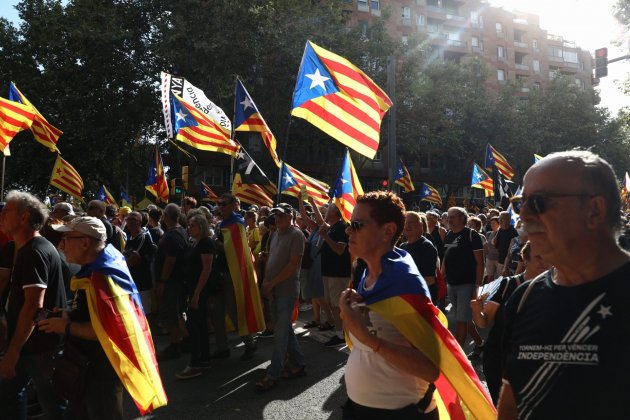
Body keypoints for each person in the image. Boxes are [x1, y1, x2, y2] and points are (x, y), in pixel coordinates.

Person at [497, 151, 630, 418]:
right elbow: (511, 403)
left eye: (537, 202)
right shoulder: (525, 297)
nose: (523, 215)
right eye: (519, 203)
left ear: (594, 210)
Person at [339, 191, 494, 419]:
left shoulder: (404, 282)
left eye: (357, 224)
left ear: (388, 231)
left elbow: (430, 368)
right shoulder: (366, 276)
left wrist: (367, 336)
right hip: (360, 409)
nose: (348, 230)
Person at [40, 216, 166, 418]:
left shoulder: (102, 275)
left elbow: (106, 331)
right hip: (90, 368)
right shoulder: (103, 264)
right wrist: (69, 314)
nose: (61, 245)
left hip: (99, 372)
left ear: (84, 242)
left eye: (67, 239)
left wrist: (65, 326)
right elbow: (99, 314)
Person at [0, 191, 67, 420]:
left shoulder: (33, 252)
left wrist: (13, 352)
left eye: (6, 211)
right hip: (35, 343)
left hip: (37, 346)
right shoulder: (36, 247)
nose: (1, 215)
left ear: (23, 217)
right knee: (10, 395)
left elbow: (32, 305)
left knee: (55, 406)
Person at [470, 241, 550, 403]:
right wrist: (476, 309)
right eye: (539, 258)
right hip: (499, 359)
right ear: (525, 260)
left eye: (548, 258)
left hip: (533, 361)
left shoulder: (554, 289)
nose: (545, 263)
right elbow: (483, 323)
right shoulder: (508, 285)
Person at [255, 204, 305, 391]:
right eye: (276, 216)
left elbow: (292, 266)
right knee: (285, 331)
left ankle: (273, 374)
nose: (277, 219)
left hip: (286, 291)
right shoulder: (275, 234)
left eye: (282, 216)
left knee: (280, 335)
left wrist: (271, 283)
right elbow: (277, 258)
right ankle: (298, 363)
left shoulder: (297, 235)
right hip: (274, 290)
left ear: (290, 216)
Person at [210, 194, 261, 361]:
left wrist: (217, 245)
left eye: (223, 204)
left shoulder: (237, 224)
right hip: (220, 273)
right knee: (217, 312)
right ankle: (222, 347)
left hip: (232, 276)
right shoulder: (223, 224)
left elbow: (234, 250)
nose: (220, 207)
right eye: (219, 204)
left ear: (233, 205)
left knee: (234, 311)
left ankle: (250, 344)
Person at [176, 214, 216, 380]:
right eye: (189, 225)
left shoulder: (206, 243)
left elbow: (206, 270)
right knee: (199, 325)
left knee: (194, 325)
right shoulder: (196, 242)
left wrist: (197, 294)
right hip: (193, 288)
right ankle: (204, 359)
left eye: (193, 225)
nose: (189, 228)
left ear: (201, 227)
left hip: (199, 290)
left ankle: (195, 363)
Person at [442, 207, 485, 357]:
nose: (449, 219)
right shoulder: (447, 235)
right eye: (448, 217)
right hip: (451, 284)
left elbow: (480, 263)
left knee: (461, 320)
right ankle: (481, 344)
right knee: (465, 320)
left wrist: (477, 287)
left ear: (462, 218)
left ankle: (455, 357)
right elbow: (445, 260)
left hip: (466, 285)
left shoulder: (473, 235)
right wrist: (442, 277)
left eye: (452, 216)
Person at [154, 203, 190, 360]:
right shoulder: (180, 231)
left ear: (166, 217)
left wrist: (162, 280)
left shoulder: (173, 235)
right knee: (177, 312)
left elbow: (170, 260)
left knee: (171, 314)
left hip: (172, 282)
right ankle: (184, 341)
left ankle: (175, 345)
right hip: (178, 280)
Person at [315, 202, 351, 347]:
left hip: (338, 273)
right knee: (332, 304)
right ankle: (341, 332)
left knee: (338, 305)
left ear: (336, 212)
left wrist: (326, 237)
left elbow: (340, 250)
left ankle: (341, 334)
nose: (326, 208)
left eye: (330, 207)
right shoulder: (332, 228)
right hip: (329, 272)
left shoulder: (342, 228)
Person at [400, 212, 438, 304]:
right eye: (405, 223)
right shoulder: (402, 246)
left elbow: (429, 279)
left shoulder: (426, 246)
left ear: (420, 225)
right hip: (406, 297)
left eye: (411, 222)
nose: (407, 226)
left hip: (422, 298)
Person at [123, 211, 155, 317]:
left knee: (145, 314)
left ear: (140, 222)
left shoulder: (143, 238)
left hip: (142, 283)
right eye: (128, 219)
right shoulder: (129, 238)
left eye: (134, 220)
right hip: (132, 283)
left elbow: (132, 260)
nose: (130, 222)